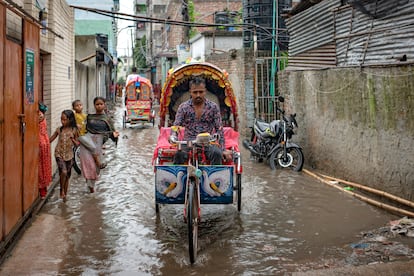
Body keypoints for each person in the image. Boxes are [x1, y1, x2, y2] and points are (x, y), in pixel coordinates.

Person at [172, 76, 225, 165]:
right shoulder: (183, 107)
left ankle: (215, 178)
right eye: (195, 92)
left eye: (201, 92)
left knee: (217, 153)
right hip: (188, 142)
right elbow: (176, 126)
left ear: (205, 91)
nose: (198, 95)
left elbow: (219, 128)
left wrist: (223, 149)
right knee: (178, 155)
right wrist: (173, 136)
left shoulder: (213, 107)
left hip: (208, 143)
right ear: (190, 92)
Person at [79, 97, 119, 193]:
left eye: (101, 104)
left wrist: (115, 135)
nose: (99, 106)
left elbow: (112, 132)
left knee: (96, 169)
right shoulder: (89, 117)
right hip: (87, 143)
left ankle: (90, 184)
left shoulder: (107, 119)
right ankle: (91, 189)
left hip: (99, 145)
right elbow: (84, 130)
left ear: (104, 105)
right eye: (97, 104)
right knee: (89, 165)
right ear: (94, 105)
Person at [49, 110, 79, 202]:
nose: (62, 121)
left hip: (69, 155)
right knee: (64, 172)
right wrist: (42, 143)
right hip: (59, 153)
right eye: (61, 119)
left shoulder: (75, 130)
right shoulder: (59, 129)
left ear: (70, 120)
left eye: (65, 120)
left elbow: (78, 144)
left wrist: (73, 140)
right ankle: (61, 190)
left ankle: (64, 197)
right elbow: (50, 139)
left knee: (67, 177)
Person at [38, 103, 52, 199]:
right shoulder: (42, 115)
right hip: (44, 143)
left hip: (41, 144)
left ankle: (42, 190)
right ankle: (43, 189)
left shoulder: (39, 115)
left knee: (41, 167)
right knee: (44, 166)